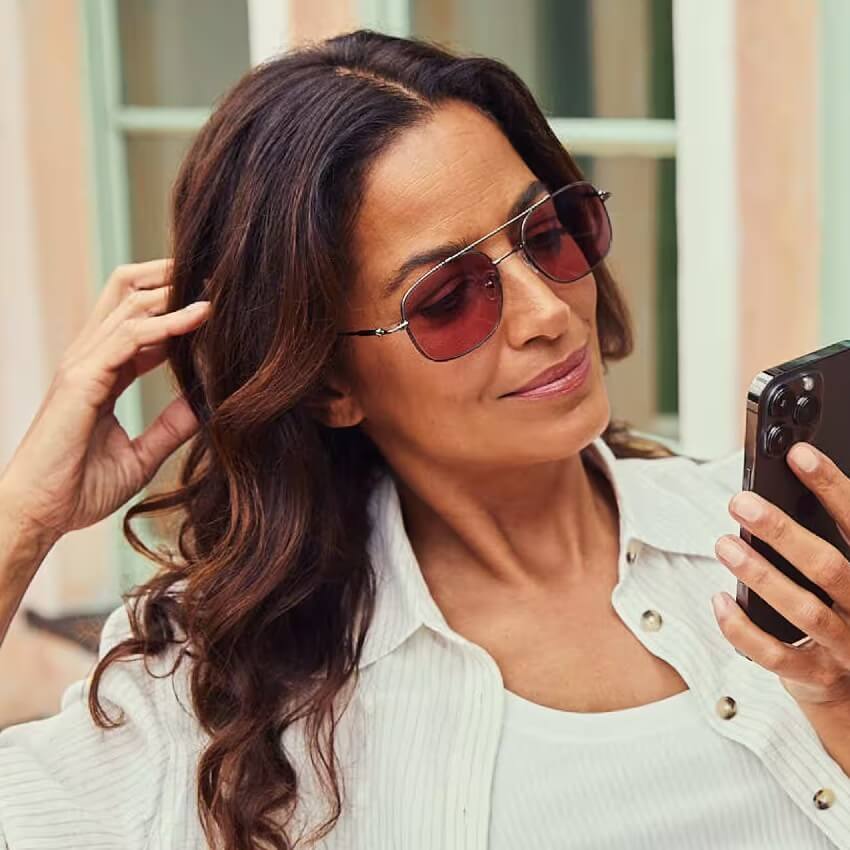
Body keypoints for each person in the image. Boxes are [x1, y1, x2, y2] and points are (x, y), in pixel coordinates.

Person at [0, 27, 848, 850]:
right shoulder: (223, 686)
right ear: (329, 382)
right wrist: (22, 519)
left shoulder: (796, 557)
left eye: (548, 235)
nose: (550, 314)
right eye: (447, 299)